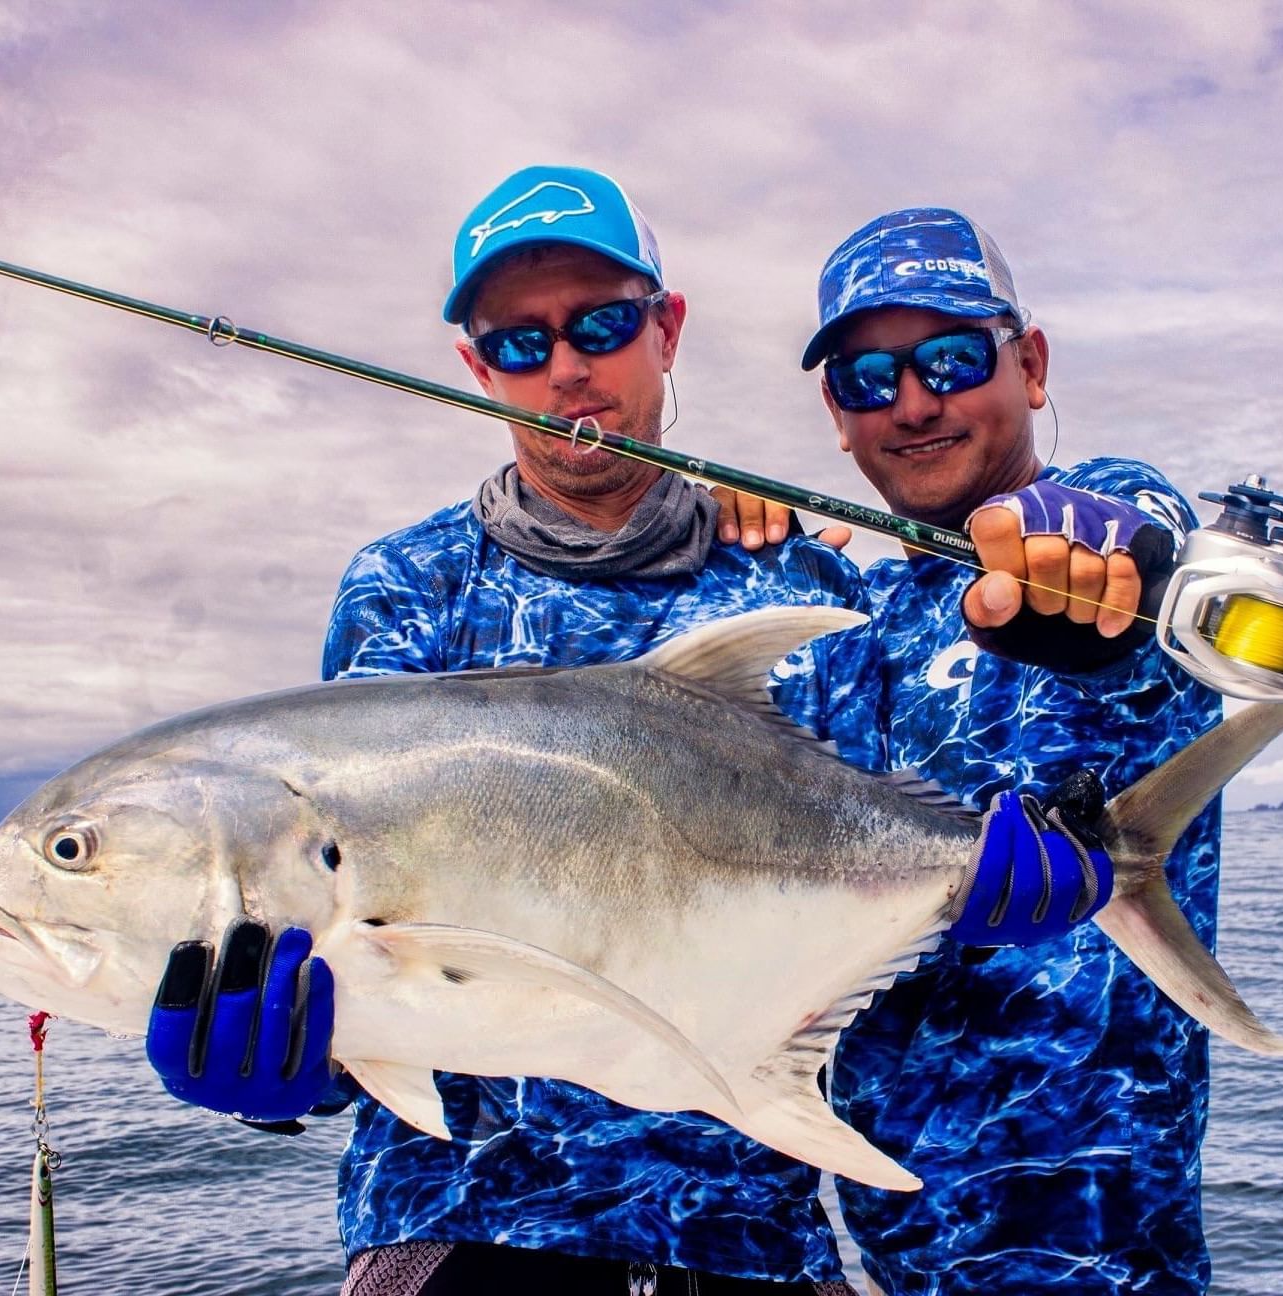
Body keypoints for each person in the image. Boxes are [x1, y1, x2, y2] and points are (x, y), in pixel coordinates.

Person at [146, 164, 873, 1296]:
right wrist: (286, 1065)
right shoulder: (408, 585)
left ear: (665, 330)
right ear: (476, 369)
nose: (567, 366)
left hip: (748, 1226)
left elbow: (848, 885)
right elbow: (362, 915)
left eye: (600, 324)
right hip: (455, 1229)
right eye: (520, 344)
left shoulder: (788, 576)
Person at [789, 208, 1225, 1296]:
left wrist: (1101, 568)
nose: (913, 402)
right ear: (837, 419)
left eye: (950, 357)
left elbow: (1134, 520)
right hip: (890, 1262)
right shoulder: (851, 635)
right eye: (866, 378)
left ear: (1029, 364)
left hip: (1112, 1262)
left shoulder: (1110, 530)